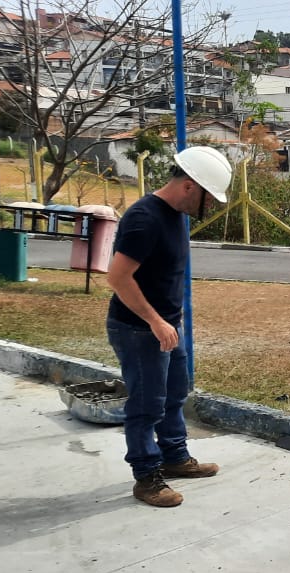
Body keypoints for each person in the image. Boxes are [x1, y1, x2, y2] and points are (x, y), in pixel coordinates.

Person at [105, 146, 233, 508]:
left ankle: (175, 457)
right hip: (138, 328)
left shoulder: (175, 215)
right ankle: (146, 477)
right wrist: (155, 321)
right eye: (209, 198)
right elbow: (117, 277)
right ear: (190, 186)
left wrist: (169, 320)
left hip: (165, 326)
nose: (209, 207)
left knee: (175, 393)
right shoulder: (144, 218)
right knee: (146, 405)